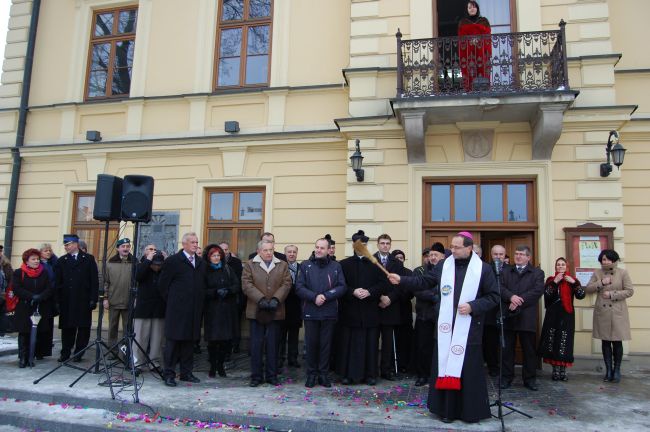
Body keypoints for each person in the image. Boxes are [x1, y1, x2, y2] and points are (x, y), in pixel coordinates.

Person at [389, 232, 499, 423]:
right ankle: (446, 410)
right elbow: (424, 281)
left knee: (467, 371)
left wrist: (474, 306)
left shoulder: (484, 269)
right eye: (452, 247)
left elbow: (493, 297)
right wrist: (402, 280)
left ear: (469, 248)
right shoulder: (444, 265)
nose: (452, 250)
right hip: (445, 330)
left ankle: (469, 412)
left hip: (469, 331)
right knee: (444, 366)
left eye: (457, 247)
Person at [295, 238, 346, 388]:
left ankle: (323, 375)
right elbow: (299, 287)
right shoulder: (305, 265)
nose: (318, 250)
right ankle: (311, 375)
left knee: (325, 345)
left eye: (322, 248)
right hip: (310, 311)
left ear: (328, 250)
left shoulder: (336, 266)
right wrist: (314, 297)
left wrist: (326, 296)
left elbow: (342, 287)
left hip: (329, 312)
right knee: (311, 345)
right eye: (317, 247)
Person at [242, 239, 292, 387]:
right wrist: (261, 299)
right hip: (257, 311)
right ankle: (256, 376)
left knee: (273, 345)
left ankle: (272, 375)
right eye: (266, 250)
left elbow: (286, 283)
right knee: (256, 345)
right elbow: (246, 284)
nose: (269, 252)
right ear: (259, 251)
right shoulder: (250, 265)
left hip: (275, 311)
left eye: (271, 249)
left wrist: (277, 299)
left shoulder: (282, 265)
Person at [337, 230, 384, 385]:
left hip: (369, 311)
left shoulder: (375, 263)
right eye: (359, 245)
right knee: (347, 345)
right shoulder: (343, 264)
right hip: (350, 311)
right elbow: (340, 285)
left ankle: (370, 375)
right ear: (353, 246)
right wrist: (352, 291)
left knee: (370, 345)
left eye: (364, 245)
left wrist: (370, 291)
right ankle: (347, 375)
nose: (362, 247)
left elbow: (382, 284)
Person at [159, 232, 206, 387]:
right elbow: (163, 285)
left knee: (189, 343)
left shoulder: (200, 263)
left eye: (196, 242)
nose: (195, 244)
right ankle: (169, 374)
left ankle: (186, 372)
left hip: (194, 310)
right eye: (192, 242)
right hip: (177, 310)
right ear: (184, 244)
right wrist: (173, 301)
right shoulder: (173, 261)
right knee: (173, 343)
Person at [585, 249, 634, 383]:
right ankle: (608, 371)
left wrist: (613, 294)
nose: (605, 261)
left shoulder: (622, 272)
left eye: (607, 259)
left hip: (618, 312)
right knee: (605, 341)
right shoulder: (597, 272)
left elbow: (630, 291)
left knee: (617, 341)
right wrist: (601, 283)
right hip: (603, 312)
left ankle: (617, 370)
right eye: (603, 259)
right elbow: (588, 289)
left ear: (614, 260)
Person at [500, 245, 544, 391]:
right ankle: (506, 378)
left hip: (527, 317)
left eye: (521, 254)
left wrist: (518, 301)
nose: (518, 256)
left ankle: (530, 379)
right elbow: (500, 288)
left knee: (529, 350)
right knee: (507, 350)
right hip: (509, 316)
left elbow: (537, 291)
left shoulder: (537, 273)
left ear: (528, 257)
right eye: (516, 253)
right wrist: (511, 297)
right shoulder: (506, 271)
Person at [538, 257, 585, 381]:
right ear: (555, 267)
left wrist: (574, 284)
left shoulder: (573, 280)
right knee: (552, 341)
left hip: (567, 315)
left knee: (564, 342)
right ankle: (555, 371)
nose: (560, 267)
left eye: (563, 265)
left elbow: (581, 295)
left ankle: (563, 371)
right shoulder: (550, 280)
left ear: (567, 267)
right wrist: (555, 282)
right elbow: (547, 295)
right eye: (558, 265)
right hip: (553, 315)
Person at [54, 234, 99, 362]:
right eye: (65, 245)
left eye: (68, 244)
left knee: (83, 328)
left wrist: (93, 299)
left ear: (75, 244)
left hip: (83, 300)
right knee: (68, 328)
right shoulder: (62, 261)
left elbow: (94, 281)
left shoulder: (89, 259)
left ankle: (79, 352)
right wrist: (57, 301)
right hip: (67, 300)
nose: (66, 247)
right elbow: (57, 283)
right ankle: (65, 352)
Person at [12, 248, 55, 367]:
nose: (36, 261)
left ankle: (32, 356)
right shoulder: (19, 272)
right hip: (24, 307)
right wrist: (31, 296)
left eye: (37, 259)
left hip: (39, 307)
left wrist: (40, 297)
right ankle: (22, 357)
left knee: (36, 333)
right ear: (26, 261)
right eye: (33, 259)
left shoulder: (44, 272)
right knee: (24, 333)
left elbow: (49, 288)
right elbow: (17, 288)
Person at [202, 244, 240, 378]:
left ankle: (221, 365)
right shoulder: (205, 270)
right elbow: (202, 289)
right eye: (213, 255)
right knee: (213, 341)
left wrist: (228, 291)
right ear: (209, 257)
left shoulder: (227, 269)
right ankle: (213, 366)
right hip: (212, 310)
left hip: (227, 310)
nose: (216, 258)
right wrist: (214, 292)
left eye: (218, 255)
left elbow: (237, 285)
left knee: (225, 340)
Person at [373, 234, 406, 380]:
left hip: (391, 307)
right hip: (374, 306)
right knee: (372, 341)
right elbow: (368, 281)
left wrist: (390, 298)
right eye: (382, 243)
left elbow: (401, 285)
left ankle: (386, 370)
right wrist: (379, 296)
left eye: (387, 243)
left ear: (390, 245)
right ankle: (372, 370)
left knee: (387, 343)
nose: (385, 245)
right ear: (378, 244)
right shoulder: (370, 260)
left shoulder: (397, 263)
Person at [412, 242, 445, 386]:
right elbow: (417, 289)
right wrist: (434, 296)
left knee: (439, 348)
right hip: (424, 316)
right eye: (430, 255)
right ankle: (422, 375)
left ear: (442, 257)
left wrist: (438, 295)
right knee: (423, 347)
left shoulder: (449, 270)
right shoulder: (420, 271)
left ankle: (438, 375)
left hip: (442, 317)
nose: (432, 257)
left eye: (435, 255)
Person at [133, 249, 166, 371]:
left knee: (157, 339)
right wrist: (147, 261)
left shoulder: (163, 269)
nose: (157, 267)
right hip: (143, 309)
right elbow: (138, 276)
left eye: (159, 265)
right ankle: (137, 363)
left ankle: (154, 362)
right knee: (140, 337)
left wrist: (166, 261)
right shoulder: (143, 266)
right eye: (155, 264)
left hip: (159, 308)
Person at [103, 238, 134, 356]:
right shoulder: (110, 263)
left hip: (128, 301)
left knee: (128, 329)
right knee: (112, 328)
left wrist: (135, 299)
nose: (126, 248)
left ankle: (126, 352)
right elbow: (106, 282)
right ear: (118, 248)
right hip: (113, 301)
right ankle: (113, 351)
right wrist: (105, 298)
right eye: (123, 246)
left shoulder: (134, 262)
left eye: (127, 246)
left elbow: (137, 282)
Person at [483, 244, 508, 377]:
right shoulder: (486, 269)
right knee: (490, 343)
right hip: (490, 313)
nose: (498, 257)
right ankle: (493, 367)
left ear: (505, 255)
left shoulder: (511, 269)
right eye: (495, 254)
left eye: (501, 254)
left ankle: (505, 369)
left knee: (506, 343)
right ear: (491, 255)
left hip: (507, 311)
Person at [458, 1, 492, 92]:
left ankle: (484, 89)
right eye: (469, 8)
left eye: (473, 7)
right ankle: (469, 89)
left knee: (482, 69)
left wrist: (479, 41)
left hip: (482, 51)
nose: (472, 9)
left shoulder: (484, 21)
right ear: (467, 10)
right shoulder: (463, 22)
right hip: (468, 52)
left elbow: (488, 35)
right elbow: (461, 39)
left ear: (477, 8)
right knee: (470, 70)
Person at [279, 244, 302, 369]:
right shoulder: (280, 267)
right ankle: (280, 358)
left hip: (296, 307)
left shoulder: (302, 267)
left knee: (294, 335)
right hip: (282, 306)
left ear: (297, 254)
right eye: (289, 252)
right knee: (281, 335)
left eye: (294, 252)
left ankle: (293, 358)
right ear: (285, 254)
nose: (292, 254)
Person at [219, 241, 244, 355]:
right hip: (218, 299)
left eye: (226, 249)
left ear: (229, 250)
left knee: (234, 324)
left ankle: (234, 345)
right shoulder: (213, 261)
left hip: (234, 298)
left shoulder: (236, 262)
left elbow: (238, 281)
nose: (224, 252)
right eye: (221, 250)